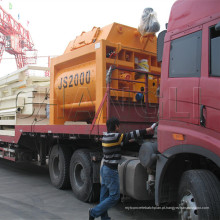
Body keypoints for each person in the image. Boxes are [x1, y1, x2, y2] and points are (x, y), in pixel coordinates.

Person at [89, 117, 155, 220]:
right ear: (116, 126)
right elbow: (130, 134)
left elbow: (122, 142)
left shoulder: (107, 136)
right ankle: (93, 212)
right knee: (114, 197)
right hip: (110, 171)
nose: (119, 127)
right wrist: (147, 130)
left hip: (105, 168)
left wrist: (132, 139)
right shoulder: (116, 136)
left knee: (104, 195)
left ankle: (104, 218)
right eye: (118, 125)